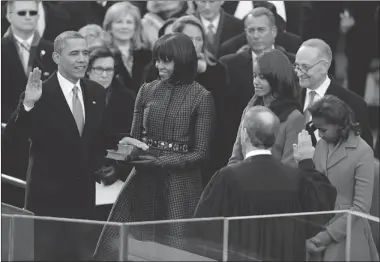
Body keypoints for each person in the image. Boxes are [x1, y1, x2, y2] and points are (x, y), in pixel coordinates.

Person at [93, 33, 216, 260]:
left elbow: (201, 153)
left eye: (165, 60)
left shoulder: (202, 97)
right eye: (157, 59)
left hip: (181, 186)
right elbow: (136, 138)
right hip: (142, 179)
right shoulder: (146, 90)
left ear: (182, 60)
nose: (159, 65)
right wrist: (126, 156)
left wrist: (162, 161)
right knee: (124, 246)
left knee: (176, 250)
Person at [2, 31, 115, 260]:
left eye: (85, 53)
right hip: (47, 203)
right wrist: (27, 104)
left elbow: (101, 139)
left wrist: (119, 155)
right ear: (56, 57)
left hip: (83, 203)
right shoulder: (39, 93)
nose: (82, 59)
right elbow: (11, 141)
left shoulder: (95, 92)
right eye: (74, 53)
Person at [194, 106, 337, 261]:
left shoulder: (227, 178)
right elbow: (323, 206)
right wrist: (306, 163)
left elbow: (204, 228)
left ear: (244, 134)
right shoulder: (295, 178)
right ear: (275, 136)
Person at [295, 95, 379, 261]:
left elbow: (361, 208)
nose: (319, 134)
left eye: (323, 130)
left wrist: (327, 236)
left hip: (347, 235)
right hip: (316, 233)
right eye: (317, 129)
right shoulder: (321, 145)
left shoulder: (363, 152)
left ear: (341, 125)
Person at [220, 7, 295, 161]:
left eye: (261, 30)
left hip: (283, 148)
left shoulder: (293, 63)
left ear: (274, 31)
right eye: (250, 30)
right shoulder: (229, 64)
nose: (255, 35)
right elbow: (224, 112)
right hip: (240, 145)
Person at [1, 0, 56, 208]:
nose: (27, 16)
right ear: (8, 16)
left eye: (32, 12)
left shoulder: (52, 52)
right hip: (8, 137)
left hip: (44, 140)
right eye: (21, 12)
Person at [228, 49, 304, 167]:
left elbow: (290, 168)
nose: (255, 82)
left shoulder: (294, 118)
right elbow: (236, 157)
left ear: (277, 78)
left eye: (262, 77)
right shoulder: (250, 109)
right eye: (254, 76)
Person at [294, 38, 373, 148]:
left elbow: (363, 153)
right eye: (297, 66)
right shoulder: (291, 97)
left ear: (324, 67)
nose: (298, 73)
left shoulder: (352, 104)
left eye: (305, 67)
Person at [103, 2, 152, 95]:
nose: (124, 27)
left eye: (129, 22)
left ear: (136, 27)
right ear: (109, 27)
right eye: (119, 22)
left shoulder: (147, 55)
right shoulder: (102, 54)